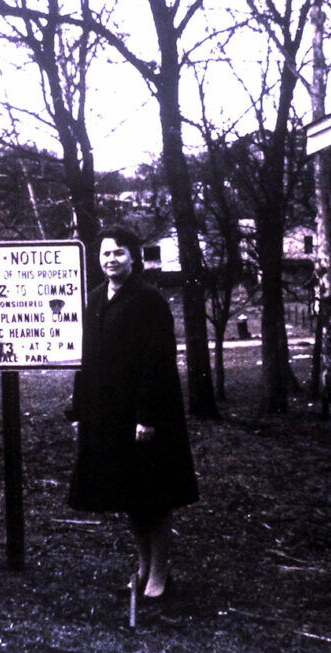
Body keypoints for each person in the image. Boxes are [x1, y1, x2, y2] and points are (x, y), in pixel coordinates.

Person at [67, 226, 198, 599]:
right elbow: (85, 361)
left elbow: (157, 363)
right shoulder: (94, 300)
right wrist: (78, 412)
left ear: (133, 258)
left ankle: (160, 573)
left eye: (119, 253)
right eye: (106, 253)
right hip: (108, 415)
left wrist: (147, 416)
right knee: (128, 494)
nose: (112, 260)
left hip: (145, 417)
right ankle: (142, 567)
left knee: (154, 495)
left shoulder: (149, 301)